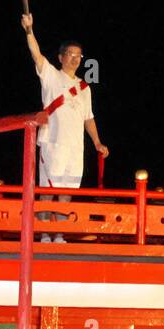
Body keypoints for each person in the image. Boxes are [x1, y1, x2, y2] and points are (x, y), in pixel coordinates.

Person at [21, 13, 108, 241]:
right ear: (61, 57)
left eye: (78, 56)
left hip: (75, 148)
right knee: (48, 191)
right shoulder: (51, 76)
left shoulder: (84, 87)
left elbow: (88, 118)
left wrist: (97, 142)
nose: (75, 59)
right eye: (70, 54)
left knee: (67, 192)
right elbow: (36, 55)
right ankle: (42, 235)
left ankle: (58, 234)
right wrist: (29, 30)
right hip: (53, 143)